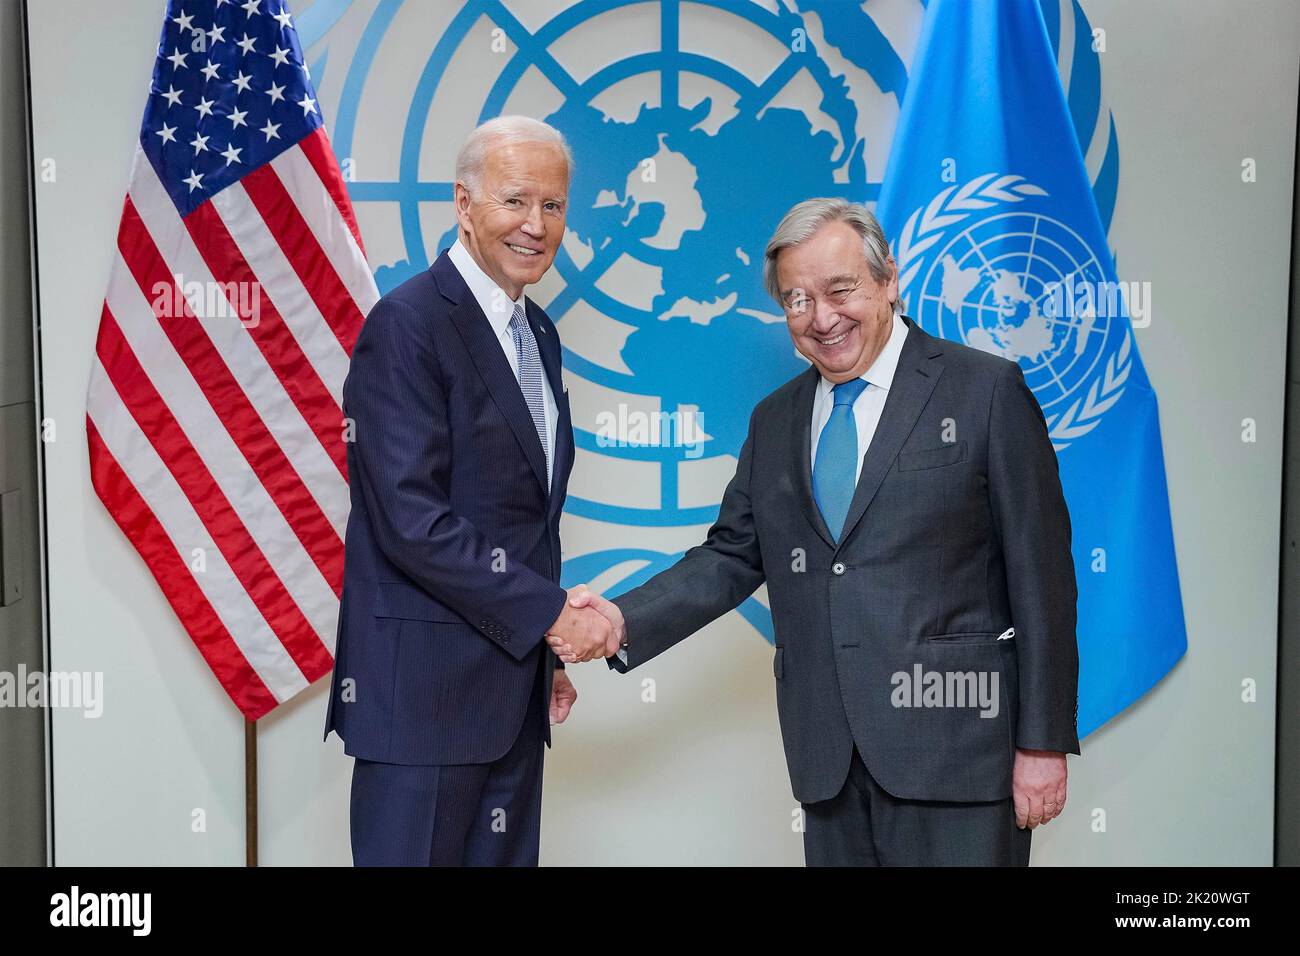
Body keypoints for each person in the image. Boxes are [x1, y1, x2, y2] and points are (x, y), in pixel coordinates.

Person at [553, 198, 1080, 866]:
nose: (821, 318)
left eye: (840, 290)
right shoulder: (776, 421)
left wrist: (1041, 744)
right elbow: (730, 557)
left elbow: (1044, 581)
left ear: (888, 279)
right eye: (797, 300)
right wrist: (617, 620)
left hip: (961, 760)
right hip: (829, 764)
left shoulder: (984, 390)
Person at [324, 116, 615, 866]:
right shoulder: (408, 325)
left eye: (553, 206)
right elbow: (412, 521)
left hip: (509, 699)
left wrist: (539, 654)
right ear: (463, 202)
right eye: (516, 200)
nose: (536, 224)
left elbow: (521, 521)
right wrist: (552, 615)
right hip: (422, 706)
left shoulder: (538, 333)